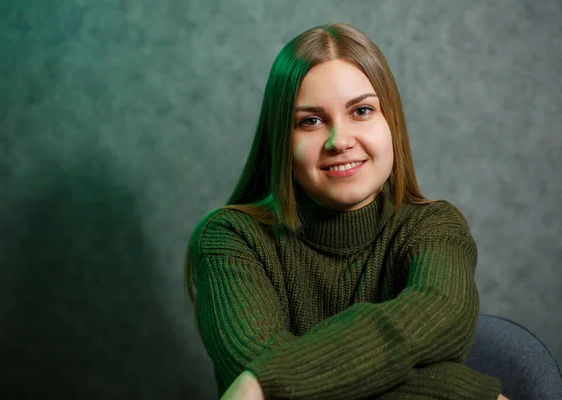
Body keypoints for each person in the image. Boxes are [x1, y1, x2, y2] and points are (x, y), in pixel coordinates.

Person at [184, 22, 510, 400]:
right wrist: (462, 392)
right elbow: (262, 381)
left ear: (392, 124)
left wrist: (268, 379)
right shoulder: (231, 238)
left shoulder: (434, 226)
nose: (340, 141)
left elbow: (442, 315)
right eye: (310, 121)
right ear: (281, 142)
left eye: (362, 111)